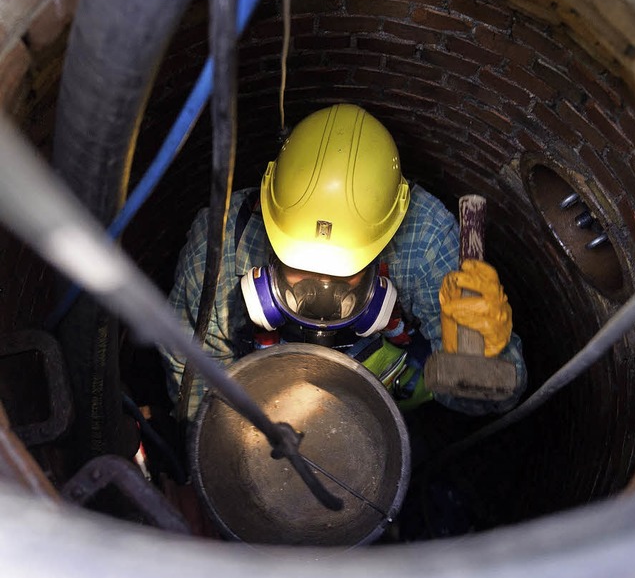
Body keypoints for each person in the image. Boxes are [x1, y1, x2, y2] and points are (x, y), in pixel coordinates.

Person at [163, 103, 526, 420]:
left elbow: (489, 401)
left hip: (387, 399)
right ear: (269, 219)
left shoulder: (425, 240)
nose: (320, 292)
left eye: (344, 273)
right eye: (299, 264)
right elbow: (197, 391)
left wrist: (484, 362)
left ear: (384, 239)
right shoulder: (220, 249)